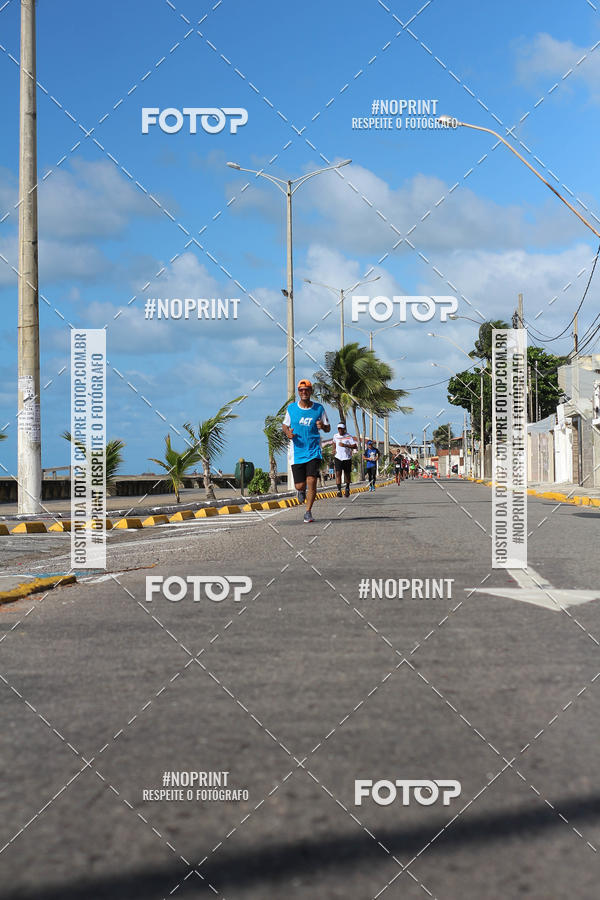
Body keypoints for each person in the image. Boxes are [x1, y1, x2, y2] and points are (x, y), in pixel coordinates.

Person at [282, 379, 330, 523]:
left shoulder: (319, 409)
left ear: (311, 392)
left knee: (312, 481)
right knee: (300, 485)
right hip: (297, 452)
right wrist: (288, 433)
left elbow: (328, 428)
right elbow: (285, 425)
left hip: (314, 451)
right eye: (301, 390)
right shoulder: (291, 408)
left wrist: (322, 426)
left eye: (307, 390)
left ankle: (308, 512)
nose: (304, 392)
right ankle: (301, 491)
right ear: (298, 392)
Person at [333, 423, 358, 497]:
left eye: (341, 428)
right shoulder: (335, 436)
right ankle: (339, 490)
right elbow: (334, 442)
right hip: (338, 457)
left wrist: (345, 445)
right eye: (338, 428)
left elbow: (354, 446)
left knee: (347, 474)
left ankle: (347, 488)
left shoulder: (348, 436)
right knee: (338, 473)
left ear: (344, 429)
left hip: (347, 458)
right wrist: (333, 449)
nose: (340, 430)